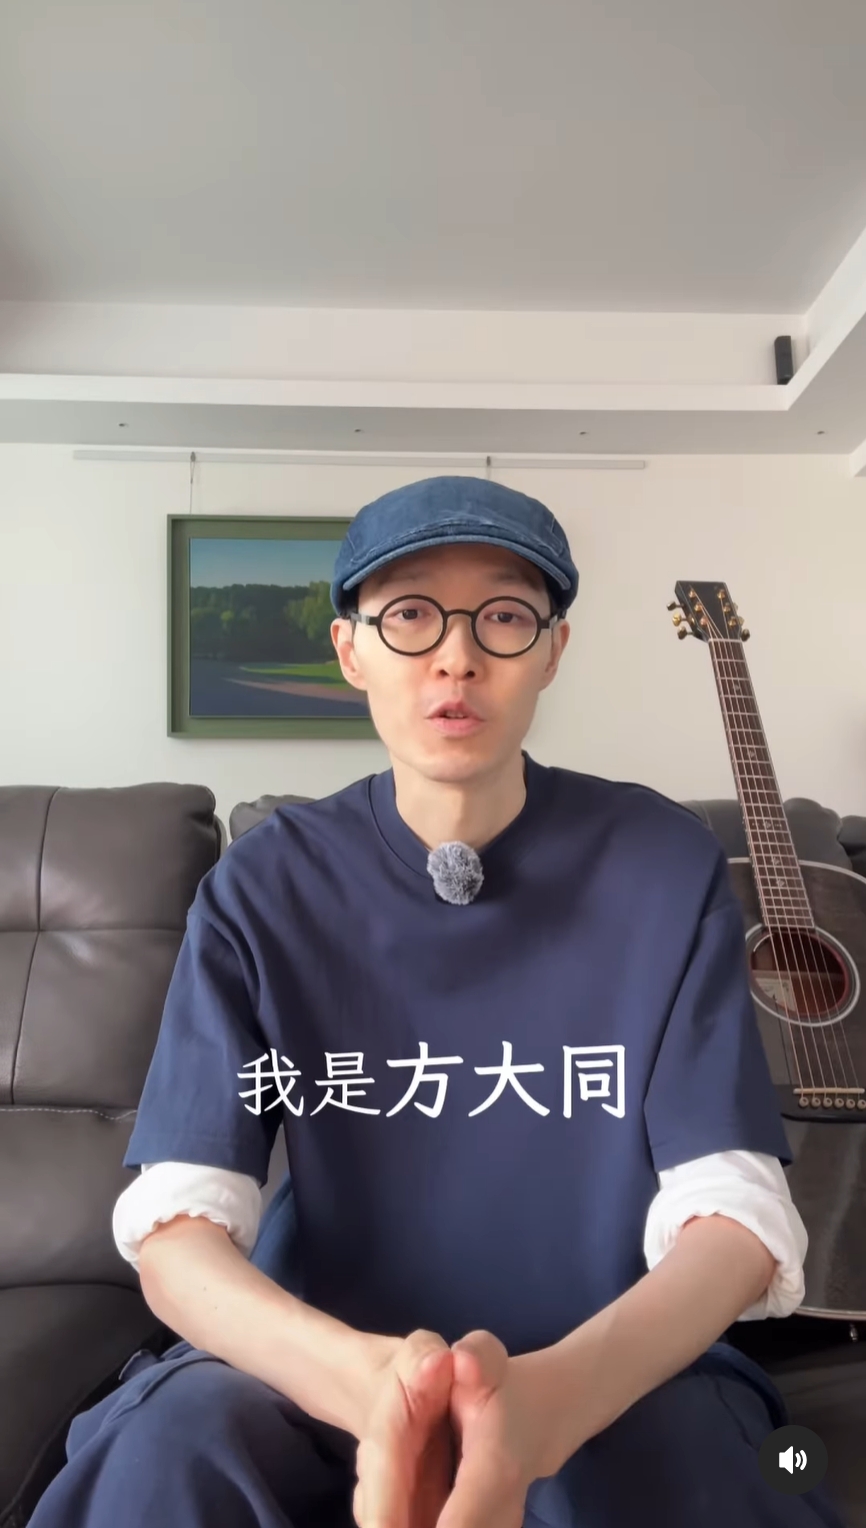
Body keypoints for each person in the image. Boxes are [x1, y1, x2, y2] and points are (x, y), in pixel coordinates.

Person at [29, 476, 846, 1528]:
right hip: (317, 1361)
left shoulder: (662, 865)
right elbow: (178, 1227)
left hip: (602, 1359)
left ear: (552, 651)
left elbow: (734, 1213)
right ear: (350, 650)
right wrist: (366, 1386)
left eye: (502, 617)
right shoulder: (263, 884)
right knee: (168, 1451)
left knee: (697, 1465)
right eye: (410, 615)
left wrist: (548, 1404)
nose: (456, 656)